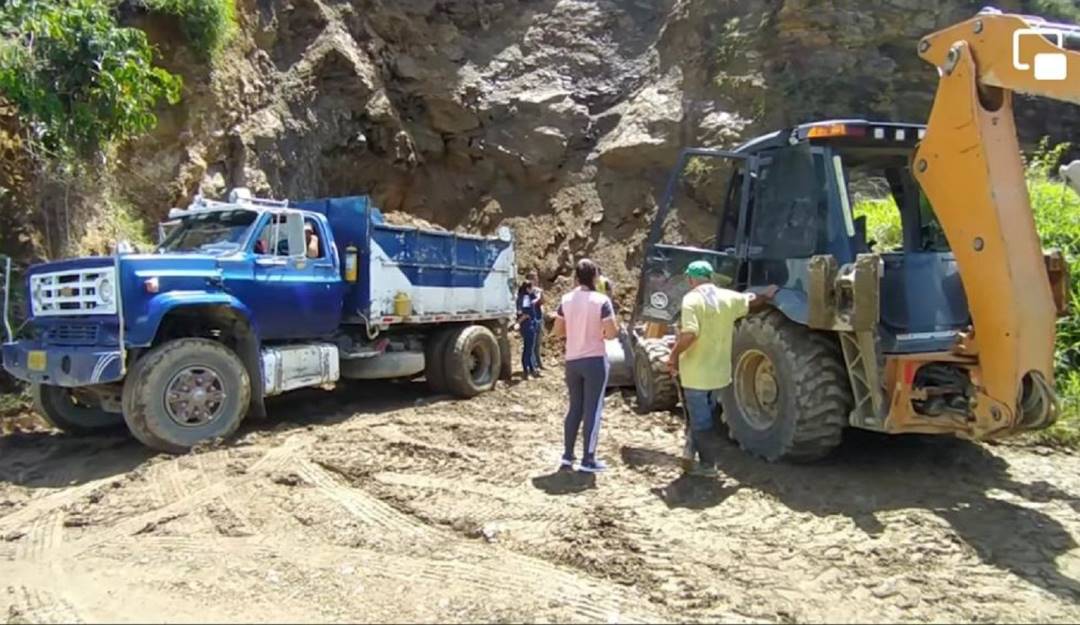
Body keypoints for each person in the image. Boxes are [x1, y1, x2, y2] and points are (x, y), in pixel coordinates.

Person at [668, 260, 778, 477]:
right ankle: (690, 453)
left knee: (700, 421)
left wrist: (673, 356)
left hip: (695, 373)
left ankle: (708, 466)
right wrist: (767, 293)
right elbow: (751, 300)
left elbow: (690, 333)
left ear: (691, 279)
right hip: (718, 373)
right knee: (704, 415)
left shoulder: (691, 299)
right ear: (711, 277)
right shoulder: (727, 297)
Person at [553, 258, 619, 473]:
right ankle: (588, 458)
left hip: (572, 360)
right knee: (593, 409)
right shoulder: (601, 301)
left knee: (575, 408)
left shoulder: (565, 300)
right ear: (595, 277)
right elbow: (612, 333)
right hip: (594, 360)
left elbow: (558, 331)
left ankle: (567, 455)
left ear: (576, 277)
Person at [517, 279, 543, 379]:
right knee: (528, 348)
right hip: (528, 325)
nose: (532, 289)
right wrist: (522, 320)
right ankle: (526, 370)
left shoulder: (526, 296)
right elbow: (525, 313)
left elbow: (535, 301)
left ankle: (532, 369)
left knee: (530, 348)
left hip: (530, 324)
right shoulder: (525, 298)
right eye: (531, 288)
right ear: (527, 288)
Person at [525, 270, 545, 371]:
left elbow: (542, 302)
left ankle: (538, 363)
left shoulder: (538, 290)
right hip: (532, 319)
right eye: (533, 278)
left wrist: (541, 298)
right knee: (531, 344)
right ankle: (532, 366)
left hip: (539, 317)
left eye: (536, 277)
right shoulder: (526, 291)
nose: (535, 279)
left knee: (538, 344)